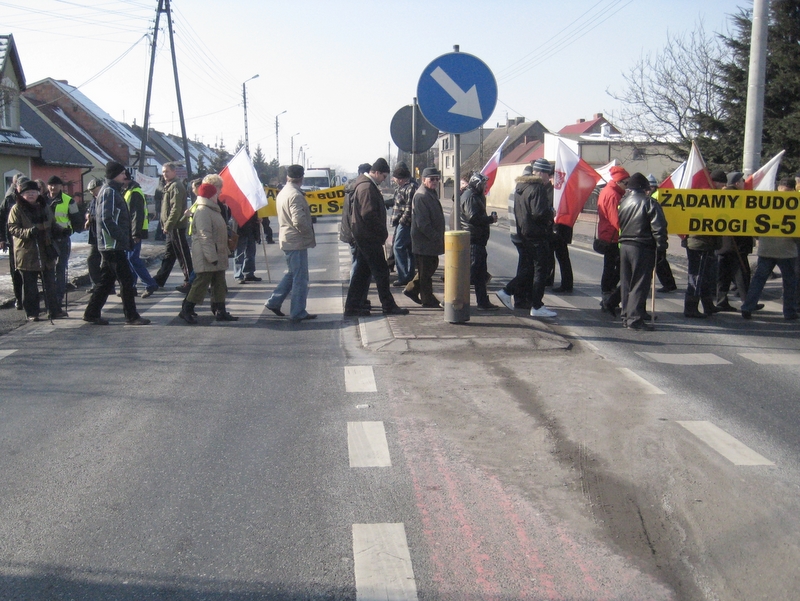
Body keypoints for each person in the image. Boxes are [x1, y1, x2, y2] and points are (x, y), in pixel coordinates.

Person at [82, 161, 150, 326]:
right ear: (114, 175)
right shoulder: (109, 192)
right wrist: (122, 238)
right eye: (122, 173)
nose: (125, 176)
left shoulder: (113, 191)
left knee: (106, 281)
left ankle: (92, 313)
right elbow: (106, 219)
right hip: (111, 245)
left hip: (112, 244)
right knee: (126, 280)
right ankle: (131, 316)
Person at [343, 158, 409, 317]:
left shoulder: (364, 184)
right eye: (384, 176)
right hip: (368, 237)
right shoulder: (367, 187)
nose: (384, 180)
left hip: (363, 236)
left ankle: (353, 306)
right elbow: (368, 214)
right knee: (381, 272)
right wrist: (381, 232)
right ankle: (388, 305)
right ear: (377, 172)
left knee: (361, 273)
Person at [495, 158, 558, 318]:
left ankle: (508, 292)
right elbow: (538, 213)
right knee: (540, 271)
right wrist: (550, 213)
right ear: (541, 173)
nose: (549, 178)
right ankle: (536, 305)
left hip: (525, 234)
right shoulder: (537, 188)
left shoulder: (521, 187)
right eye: (548, 174)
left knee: (529, 269)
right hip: (536, 235)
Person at [178, 183, 237, 324]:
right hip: (207, 253)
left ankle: (220, 310)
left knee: (219, 283)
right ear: (210, 196)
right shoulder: (203, 211)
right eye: (216, 193)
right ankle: (186, 310)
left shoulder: (213, 209)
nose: (218, 195)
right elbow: (204, 235)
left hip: (217, 252)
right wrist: (211, 256)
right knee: (201, 283)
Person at [264, 165, 317, 322]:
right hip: (296, 240)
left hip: (288, 238)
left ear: (287, 177)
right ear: (301, 178)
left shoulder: (284, 192)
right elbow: (298, 220)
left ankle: (274, 301)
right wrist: (308, 234)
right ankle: (297, 312)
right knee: (300, 278)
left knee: (292, 273)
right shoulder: (295, 195)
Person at [6, 180, 65, 321]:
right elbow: (13, 228)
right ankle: (32, 313)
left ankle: (54, 310)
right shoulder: (17, 209)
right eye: (27, 193)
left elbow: (52, 224)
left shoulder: (44, 206)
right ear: (21, 194)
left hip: (46, 250)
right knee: (30, 286)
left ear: (39, 193)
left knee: (50, 283)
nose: (31, 195)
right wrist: (28, 232)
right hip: (27, 252)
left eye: (34, 192)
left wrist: (62, 231)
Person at [617, 173, 669, 330]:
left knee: (626, 283)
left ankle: (626, 315)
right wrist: (661, 247)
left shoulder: (624, 202)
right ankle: (635, 319)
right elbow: (659, 227)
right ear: (644, 188)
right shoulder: (649, 202)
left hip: (624, 245)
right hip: (642, 245)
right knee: (640, 283)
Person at [741, 178, 798, 320]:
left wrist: (760, 239)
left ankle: (747, 306)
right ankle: (789, 311)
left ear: (778, 187)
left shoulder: (767, 202)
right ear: (793, 189)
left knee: (758, 280)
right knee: (789, 282)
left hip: (766, 249)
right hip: (787, 250)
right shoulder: (795, 204)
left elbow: (755, 225)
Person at [683, 169, 725, 318]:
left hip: (705, 243)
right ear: (716, 183)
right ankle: (690, 307)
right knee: (697, 276)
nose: (723, 187)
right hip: (699, 243)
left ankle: (708, 305)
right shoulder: (705, 197)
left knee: (705, 276)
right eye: (722, 184)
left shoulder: (710, 196)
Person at [405, 167, 446, 308]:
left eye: (437, 179)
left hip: (430, 241)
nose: (435, 182)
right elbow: (422, 223)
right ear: (423, 180)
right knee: (426, 272)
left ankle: (411, 289)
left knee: (429, 267)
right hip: (424, 241)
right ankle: (427, 300)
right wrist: (436, 237)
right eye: (432, 179)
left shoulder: (430, 193)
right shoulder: (421, 196)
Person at [715, 171, 754, 311]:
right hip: (737, 244)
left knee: (723, 275)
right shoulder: (740, 197)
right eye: (742, 181)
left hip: (722, 244)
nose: (744, 183)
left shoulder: (720, 195)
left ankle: (721, 300)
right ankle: (747, 303)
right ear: (737, 183)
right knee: (742, 274)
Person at [460, 171, 499, 310]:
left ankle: (483, 302)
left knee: (480, 274)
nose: (486, 186)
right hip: (473, 240)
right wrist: (490, 219)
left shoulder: (476, 196)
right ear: (477, 184)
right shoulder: (470, 196)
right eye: (483, 184)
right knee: (471, 273)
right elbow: (473, 217)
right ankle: (453, 299)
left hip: (478, 240)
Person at [153, 162, 193, 293]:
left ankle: (190, 281)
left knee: (183, 255)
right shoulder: (169, 185)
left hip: (176, 226)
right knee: (169, 255)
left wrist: (168, 225)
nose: (164, 174)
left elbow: (176, 209)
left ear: (174, 172)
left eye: (167, 171)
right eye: (163, 172)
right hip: (171, 227)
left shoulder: (176, 186)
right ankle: (159, 279)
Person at [46, 175, 84, 309]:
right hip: (46, 239)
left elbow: (77, 221)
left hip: (62, 238)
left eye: (56, 185)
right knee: (48, 268)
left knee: (60, 268)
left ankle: (59, 296)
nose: (53, 187)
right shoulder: (42, 200)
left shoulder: (69, 201)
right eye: (51, 185)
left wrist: (70, 230)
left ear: (61, 186)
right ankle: (50, 296)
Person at [596, 165, 629, 315]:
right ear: (618, 181)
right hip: (612, 237)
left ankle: (608, 296)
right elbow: (616, 219)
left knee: (611, 268)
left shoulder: (609, 191)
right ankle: (608, 297)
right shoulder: (613, 195)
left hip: (608, 234)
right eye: (626, 183)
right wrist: (627, 232)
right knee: (613, 269)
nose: (627, 186)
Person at [340, 163, 373, 313]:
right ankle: (356, 300)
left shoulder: (352, 187)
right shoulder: (361, 188)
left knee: (358, 266)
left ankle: (358, 299)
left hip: (351, 231)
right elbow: (361, 214)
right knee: (359, 269)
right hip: (357, 233)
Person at [123, 171, 159, 298]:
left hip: (135, 231)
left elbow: (137, 215)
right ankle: (131, 287)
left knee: (132, 258)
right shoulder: (129, 191)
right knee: (130, 259)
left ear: (127, 180)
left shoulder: (134, 192)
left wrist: (135, 234)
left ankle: (149, 284)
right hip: (131, 231)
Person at [0, 173, 28, 309]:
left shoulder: (32, 198)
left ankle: (29, 300)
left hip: (30, 240)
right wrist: (2, 238)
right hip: (14, 241)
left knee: (29, 272)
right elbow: (2, 220)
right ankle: (19, 299)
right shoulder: (9, 199)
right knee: (16, 271)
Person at [647, 174, 678, 293]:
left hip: (656, 233)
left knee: (659, 261)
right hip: (658, 232)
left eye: (651, 187)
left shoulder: (656, 197)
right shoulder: (655, 196)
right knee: (659, 261)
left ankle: (668, 284)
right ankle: (669, 284)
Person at [390, 162, 417, 287]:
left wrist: (402, 222)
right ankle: (409, 275)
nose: (394, 180)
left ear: (400, 179)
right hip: (402, 222)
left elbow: (408, 208)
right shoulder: (402, 187)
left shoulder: (411, 188)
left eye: (395, 178)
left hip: (405, 223)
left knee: (398, 247)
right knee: (409, 249)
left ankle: (403, 276)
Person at [84, 178, 106, 291]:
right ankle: (97, 285)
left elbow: (103, 216)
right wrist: (87, 217)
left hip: (104, 236)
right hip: (94, 235)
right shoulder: (94, 200)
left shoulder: (105, 198)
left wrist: (90, 219)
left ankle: (107, 286)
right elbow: (89, 211)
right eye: (91, 191)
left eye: (94, 190)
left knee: (106, 262)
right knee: (92, 260)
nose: (93, 193)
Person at [233, 213, 262, 283]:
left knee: (251, 253)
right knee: (239, 254)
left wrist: (259, 217)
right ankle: (238, 275)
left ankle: (249, 273)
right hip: (240, 229)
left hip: (252, 228)